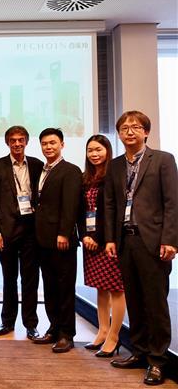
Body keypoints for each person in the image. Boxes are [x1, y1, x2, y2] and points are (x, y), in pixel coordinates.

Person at [105, 111, 177, 386]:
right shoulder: (115, 165)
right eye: (124, 128)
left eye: (135, 127)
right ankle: (139, 351)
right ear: (119, 134)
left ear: (146, 132)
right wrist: (111, 239)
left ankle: (157, 361)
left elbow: (172, 202)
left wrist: (170, 239)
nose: (129, 131)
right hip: (126, 240)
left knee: (155, 303)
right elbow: (110, 204)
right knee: (134, 300)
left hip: (154, 241)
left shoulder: (163, 160)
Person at [0, 126, 42, 340]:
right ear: (7, 142)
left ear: (26, 141)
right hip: (6, 231)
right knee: (9, 278)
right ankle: (7, 322)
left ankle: (31, 324)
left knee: (30, 280)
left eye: (20, 140)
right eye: (13, 140)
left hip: (31, 230)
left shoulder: (37, 165)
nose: (17, 144)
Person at [32, 128, 82, 353]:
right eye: (44, 143)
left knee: (64, 288)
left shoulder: (70, 171)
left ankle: (66, 334)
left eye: (52, 143)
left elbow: (71, 205)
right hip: (43, 239)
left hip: (61, 240)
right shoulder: (42, 170)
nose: (48, 147)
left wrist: (64, 233)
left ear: (62, 144)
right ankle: (53, 328)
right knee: (50, 287)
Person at [78, 135, 125, 357]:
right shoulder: (85, 178)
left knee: (116, 288)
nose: (94, 154)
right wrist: (84, 236)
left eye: (98, 149)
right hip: (89, 241)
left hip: (108, 242)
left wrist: (100, 237)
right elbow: (80, 211)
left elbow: (112, 212)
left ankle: (114, 336)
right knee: (100, 287)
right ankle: (102, 331)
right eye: (90, 150)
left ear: (107, 151)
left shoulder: (114, 176)